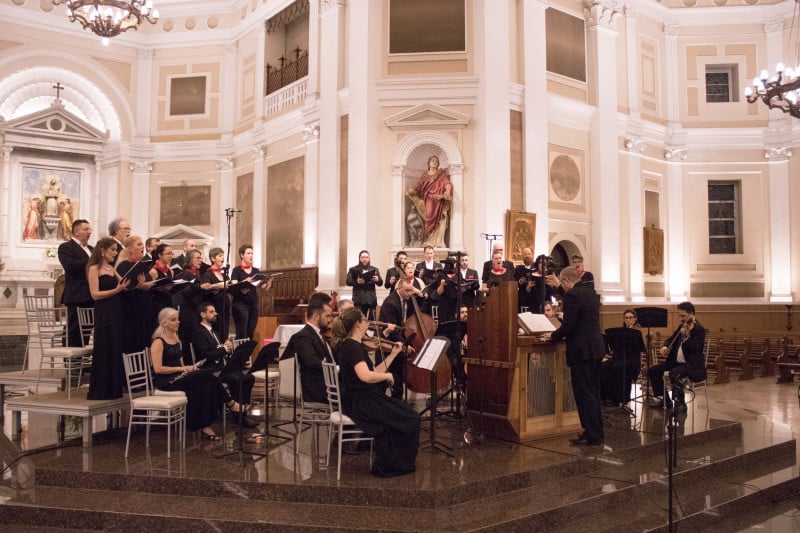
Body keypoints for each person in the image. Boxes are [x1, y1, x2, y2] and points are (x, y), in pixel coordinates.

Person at [333, 307, 421, 477]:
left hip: (363, 398)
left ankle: (394, 462)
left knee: (404, 415)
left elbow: (374, 370)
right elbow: (365, 376)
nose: (368, 323)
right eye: (365, 320)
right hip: (362, 402)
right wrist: (387, 376)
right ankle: (394, 465)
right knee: (411, 418)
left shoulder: (352, 345)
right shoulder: (352, 347)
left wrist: (393, 354)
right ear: (357, 324)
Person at [150, 307, 243, 441]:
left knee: (205, 383)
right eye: (173, 320)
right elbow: (158, 369)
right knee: (207, 376)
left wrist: (189, 369)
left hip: (179, 377)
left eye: (178, 319)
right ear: (164, 323)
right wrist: (183, 369)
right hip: (165, 381)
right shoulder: (158, 342)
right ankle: (230, 404)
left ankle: (206, 425)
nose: (178, 322)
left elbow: (181, 365)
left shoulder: (177, 340)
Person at [543, 266, 605, 446]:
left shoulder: (572, 296)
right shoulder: (591, 292)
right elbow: (579, 307)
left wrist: (553, 336)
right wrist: (559, 287)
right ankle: (597, 431)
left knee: (584, 393)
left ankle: (591, 433)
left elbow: (569, 326)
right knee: (593, 391)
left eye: (562, 282)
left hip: (581, 351)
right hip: (595, 349)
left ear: (566, 281)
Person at [192, 303, 255, 427]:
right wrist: (224, 349)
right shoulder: (198, 332)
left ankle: (243, 408)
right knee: (238, 379)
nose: (215, 314)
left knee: (249, 378)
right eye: (211, 311)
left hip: (221, 368)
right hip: (210, 370)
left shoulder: (214, 331)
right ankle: (239, 415)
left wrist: (226, 346)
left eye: (215, 311)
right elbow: (205, 355)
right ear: (202, 314)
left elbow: (218, 348)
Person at [86, 237, 130, 400]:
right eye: (112, 249)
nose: (115, 252)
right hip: (103, 311)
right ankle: (102, 389)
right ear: (103, 251)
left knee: (116, 345)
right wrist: (117, 290)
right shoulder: (93, 269)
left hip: (116, 309)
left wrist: (137, 284)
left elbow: (124, 285)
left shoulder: (111, 268)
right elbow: (95, 294)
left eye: (116, 249)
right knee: (105, 345)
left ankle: (114, 388)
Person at [648, 302, 706, 412]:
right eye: (680, 316)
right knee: (654, 370)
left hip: (690, 364)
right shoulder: (682, 326)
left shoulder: (699, 329)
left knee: (674, 373)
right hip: (677, 362)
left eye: (683, 316)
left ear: (692, 314)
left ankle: (681, 402)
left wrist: (685, 337)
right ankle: (665, 400)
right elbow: (671, 339)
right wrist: (665, 346)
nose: (681, 318)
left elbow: (695, 348)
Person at [284, 293, 334, 403]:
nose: (330, 319)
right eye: (327, 316)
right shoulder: (303, 336)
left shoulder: (318, 334)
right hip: (315, 389)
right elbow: (313, 363)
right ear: (316, 316)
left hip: (325, 382)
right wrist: (337, 369)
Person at [377, 278, 418, 398]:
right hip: (386, 343)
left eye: (411, 290)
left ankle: (397, 403)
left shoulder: (408, 299)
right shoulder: (391, 303)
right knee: (384, 377)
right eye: (407, 291)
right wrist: (405, 344)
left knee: (398, 376)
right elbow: (393, 329)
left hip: (398, 341)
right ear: (398, 288)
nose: (410, 293)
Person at [116, 235, 156, 354]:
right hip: (131, 307)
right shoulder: (124, 265)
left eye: (142, 244)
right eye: (138, 244)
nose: (142, 246)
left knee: (146, 338)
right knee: (135, 339)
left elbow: (146, 282)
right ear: (130, 249)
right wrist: (141, 285)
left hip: (144, 305)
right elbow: (127, 286)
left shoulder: (142, 265)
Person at [58, 219, 94, 347]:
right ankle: (71, 362)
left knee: (86, 331)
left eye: (90, 229)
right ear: (76, 231)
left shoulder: (91, 248)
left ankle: (81, 364)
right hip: (76, 294)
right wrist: (91, 260)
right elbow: (70, 266)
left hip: (91, 294)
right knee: (74, 329)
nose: (89, 232)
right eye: (85, 229)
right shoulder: (66, 247)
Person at [600, 309, 646, 406]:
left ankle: (622, 398)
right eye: (626, 318)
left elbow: (637, 350)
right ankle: (608, 396)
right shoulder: (620, 332)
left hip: (632, 361)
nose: (628, 320)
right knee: (604, 366)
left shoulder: (636, 331)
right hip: (619, 358)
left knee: (619, 367)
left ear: (635, 319)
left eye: (630, 318)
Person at [407, 155, 452, 248]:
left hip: (438, 199)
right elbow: (419, 186)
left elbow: (447, 183)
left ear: (438, 163)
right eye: (432, 160)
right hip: (428, 199)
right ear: (429, 163)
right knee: (428, 217)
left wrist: (447, 191)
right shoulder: (425, 175)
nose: (434, 162)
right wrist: (413, 190)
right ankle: (427, 240)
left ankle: (436, 241)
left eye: (436, 161)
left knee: (439, 218)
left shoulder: (441, 174)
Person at [230, 244, 271, 340]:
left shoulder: (256, 270)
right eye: (248, 253)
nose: (251, 255)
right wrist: (245, 281)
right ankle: (240, 354)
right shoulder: (237, 270)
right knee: (241, 332)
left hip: (253, 303)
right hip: (240, 304)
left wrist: (269, 281)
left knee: (250, 332)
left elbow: (264, 288)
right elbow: (234, 285)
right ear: (242, 255)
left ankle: (248, 354)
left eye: (252, 253)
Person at [200, 247, 232, 339]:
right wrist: (217, 286)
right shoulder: (207, 274)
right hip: (215, 306)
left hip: (224, 306)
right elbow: (206, 288)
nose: (222, 258)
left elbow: (229, 287)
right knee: (217, 329)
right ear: (213, 259)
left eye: (223, 256)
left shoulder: (224, 274)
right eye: (220, 256)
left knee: (225, 329)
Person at [345, 250, 382, 318]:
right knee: (358, 321)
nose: (364, 259)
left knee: (371, 322)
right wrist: (357, 282)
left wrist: (377, 280)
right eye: (362, 257)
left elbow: (381, 283)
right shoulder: (353, 269)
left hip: (371, 300)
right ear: (359, 258)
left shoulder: (374, 269)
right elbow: (348, 281)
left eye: (366, 257)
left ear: (369, 258)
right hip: (359, 301)